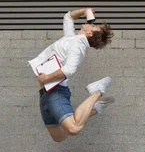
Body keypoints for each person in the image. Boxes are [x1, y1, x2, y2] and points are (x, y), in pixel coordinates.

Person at [29, 8, 114, 142]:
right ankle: (95, 108)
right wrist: (84, 11)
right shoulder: (72, 38)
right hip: (45, 93)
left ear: (90, 33)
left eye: (93, 26)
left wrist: (47, 77)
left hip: (56, 92)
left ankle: (97, 91)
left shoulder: (78, 46)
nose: (90, 23)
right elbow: (68, 17)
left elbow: (69, 69)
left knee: (73, 128)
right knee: (59, 136)